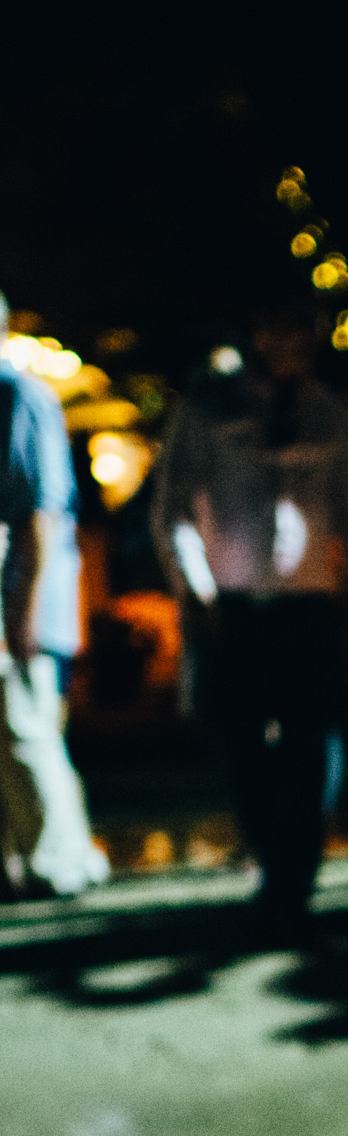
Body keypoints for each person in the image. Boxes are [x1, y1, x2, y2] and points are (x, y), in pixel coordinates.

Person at [153, 293, 348, 936]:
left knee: (314, 740)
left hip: (310, 602)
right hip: (234, 602)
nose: (298, 340)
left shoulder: (326, 410)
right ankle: (270, 854)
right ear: (259, 330)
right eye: (284, 326)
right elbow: (171, 503)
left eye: (306, 329)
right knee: (239, 740)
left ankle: (292, 879)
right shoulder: (210, 404)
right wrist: (193, 586)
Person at [0, 296, 109, 901]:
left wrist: (24, 612)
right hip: (13, 581)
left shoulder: (22, 396)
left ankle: (62, 857)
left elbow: (41, 512)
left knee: (27, 724)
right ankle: (24, 855)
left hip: (20, 588)